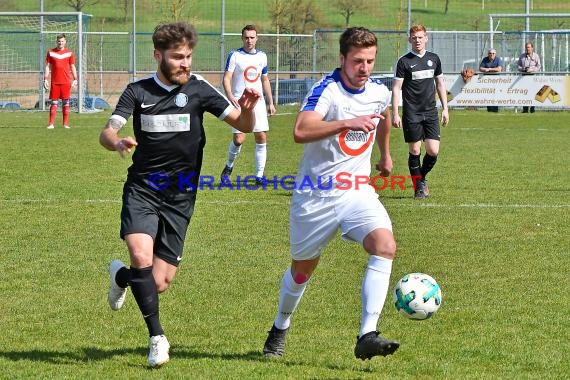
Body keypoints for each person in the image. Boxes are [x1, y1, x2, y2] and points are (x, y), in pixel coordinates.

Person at [99, 22, 260, 368]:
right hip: (143, 188)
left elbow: (244, 125)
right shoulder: (137, 92)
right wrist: (118, 141)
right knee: (141, 255)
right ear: (158, 56)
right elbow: (108, 131)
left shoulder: (199, 89)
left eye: (188, 56)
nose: (185, 63)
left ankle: (120, 277)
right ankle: (157, 338)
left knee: (157, 282)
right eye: (177, 57)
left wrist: (247, 109)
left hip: (181, 196)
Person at [262, 27, 399, 361]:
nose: (364, 67)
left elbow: (382, 119)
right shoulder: (327, 90)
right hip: (315, 197)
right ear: (342, 59)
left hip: (357, 192)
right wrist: (345, 124)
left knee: (385, 246)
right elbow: (300, 130)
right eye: (357, 61)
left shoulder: (378, 91)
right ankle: (280, 325)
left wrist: (384, 154)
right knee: (301, 271)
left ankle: (368, 333)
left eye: (369, 60)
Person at [391, 24, 449, 200]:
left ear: (426, 38)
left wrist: (445, 109)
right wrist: (395, 113)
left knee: (433, 151)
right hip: (412, 113)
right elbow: (396, 89)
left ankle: (421, 179)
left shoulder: (434, 59)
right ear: (409, 39)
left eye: (420, 37)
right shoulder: (404, 62)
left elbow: (440, 84)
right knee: (415, 150)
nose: (417, 40)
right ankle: (418, 189)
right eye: (414, 37)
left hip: (431, 112)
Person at [220, 24, 276, 185]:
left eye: (252, 37)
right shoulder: (235, 55)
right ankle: (228, 167)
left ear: (257, 38)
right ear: (242, 38)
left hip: (258, 103)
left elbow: (264, 79)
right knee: (239, 139)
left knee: (261, 136)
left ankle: (259, 176)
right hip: (239, 102)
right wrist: (230, 95)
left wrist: (270, 102)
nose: (249, 40)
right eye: (246, 37)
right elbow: (227, 77)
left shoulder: (262, 57)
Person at [44, 33, 78, 129]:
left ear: (65, 42)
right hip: (55, 82)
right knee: (54, 103)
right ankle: (51, 124)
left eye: (62, 41)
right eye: (59, 41)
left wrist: (76, 79)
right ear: (56, 42)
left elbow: (72, 66)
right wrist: (45, 79)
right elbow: (47, 66)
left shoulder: (69, 53)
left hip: (66, 82)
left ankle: (65, 124)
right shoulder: (50, 52)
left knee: (65, 102)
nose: (60, 43)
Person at [517, 41, 541, 113]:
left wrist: (532, 70)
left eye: (529, 47)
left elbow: (539, 66)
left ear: (532, 48)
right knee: (525, 93)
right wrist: (523, 69)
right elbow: (518, 66)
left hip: (533, 77)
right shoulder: (522, 56)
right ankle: (525, 109)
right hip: (524, 77)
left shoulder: (536, 56)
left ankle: (532, 109)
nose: (527, 49)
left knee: (533, 93)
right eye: (526, 47)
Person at [479, 48, 503, 112]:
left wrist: (489, 69)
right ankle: (489, 109)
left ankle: (495, 109)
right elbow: (481, 68)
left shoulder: (498, 59)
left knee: (495, 95)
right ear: (488, 54)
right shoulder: (485, 59)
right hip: (487, 81)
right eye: (490, 53)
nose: (491, 54)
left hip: (496, 81)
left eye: (493, 53)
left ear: (495, 54)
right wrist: (485, 69)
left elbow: (499, 69)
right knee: (488, 95)